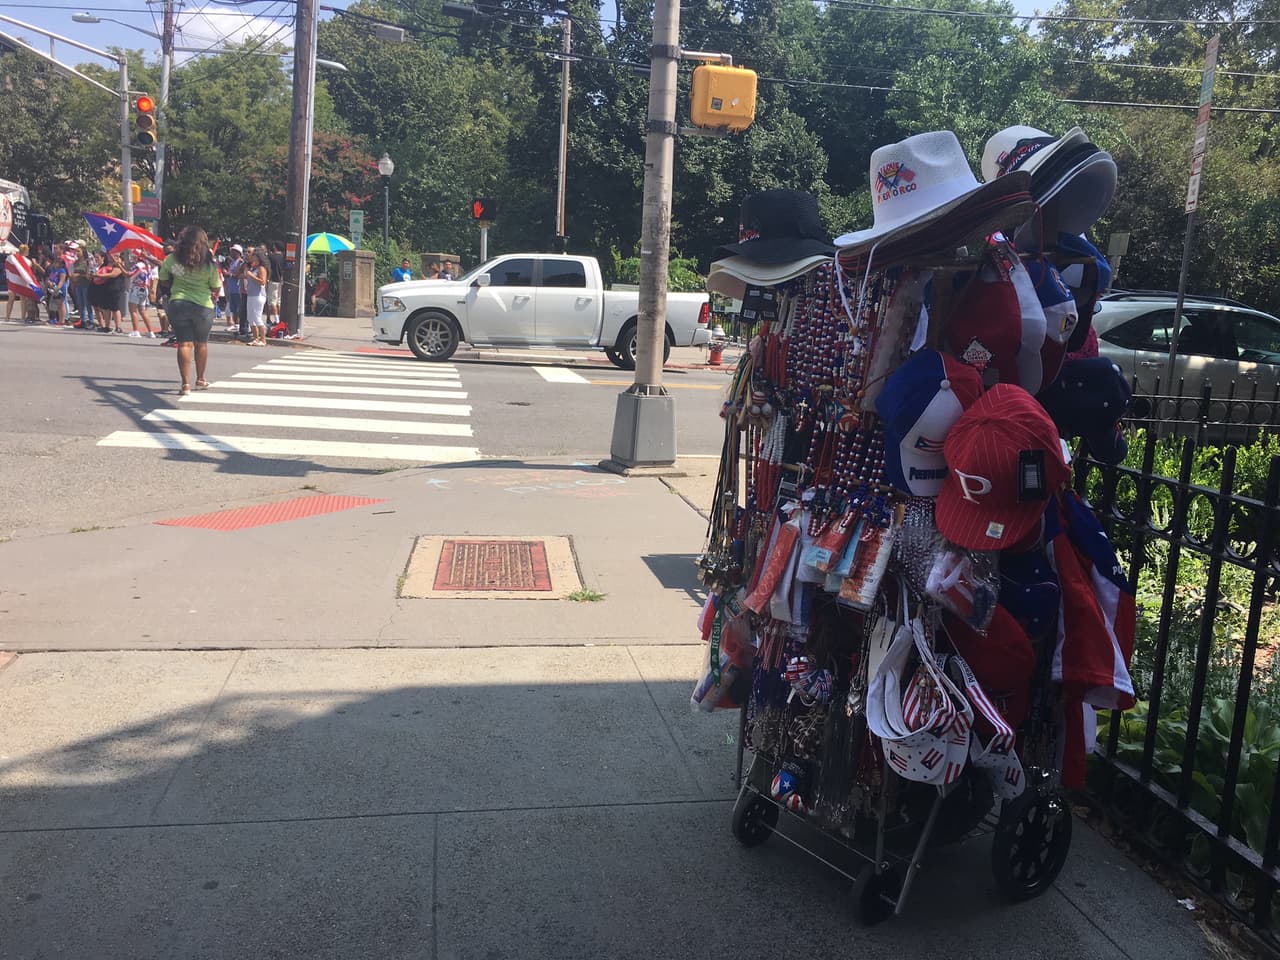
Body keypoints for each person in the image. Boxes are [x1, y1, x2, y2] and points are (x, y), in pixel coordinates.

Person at [159, 226, 221, 393]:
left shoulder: (173, 259)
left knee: (184, 344)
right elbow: (216, 286)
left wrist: (179, 280)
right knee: (201, 344)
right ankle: (200, 379)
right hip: (202, 305)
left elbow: (164, 279)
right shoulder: (208, 262)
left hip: (178, 302)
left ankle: (185, 384)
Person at [90, 251, 127, 333]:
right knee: (105, 308)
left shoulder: (118, 265)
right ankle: (107, 326)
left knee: (114, 308)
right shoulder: (106, 264)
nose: (111, 257)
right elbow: (100, 271)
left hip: (115, 288)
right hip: (105, 287)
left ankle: (118, 327)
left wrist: (99, 276)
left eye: (115, 255)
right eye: (110, 255)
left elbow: (113, 274)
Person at [243, 247, 269, 346]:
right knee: (250, 317)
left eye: (253, 255)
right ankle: (255, 338)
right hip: (251, 294)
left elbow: (263, 282)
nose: (251, 256)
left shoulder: (261, 268)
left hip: (258, 295)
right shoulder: (253, 267)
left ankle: (263, 339)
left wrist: (251, 275)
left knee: (257, 317)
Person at [127, 252, 155, 337]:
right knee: (142, 310)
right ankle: (151, 331)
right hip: (144, 288)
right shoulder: (148, 266)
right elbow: (150, 279)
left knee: (133, 310)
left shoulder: (138, 265)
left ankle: (136, 331)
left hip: (136, 288)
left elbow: (129, 275)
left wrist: (120, 266)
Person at [225, 243, 244, 334]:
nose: (231, 253)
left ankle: (239, 324)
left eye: (233, 251)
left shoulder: (240, 262)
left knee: (238, 308)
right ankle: (235, 324)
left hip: (238, 289)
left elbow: (239, 274)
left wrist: (230, 274)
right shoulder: (232, 262)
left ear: (238, 252)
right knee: (233, 308)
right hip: (232, 289)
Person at [266, 240, 285, 332]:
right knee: (279, 301)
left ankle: (277, 319)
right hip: (281, 281)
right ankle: (281, 318)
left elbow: (267, 267)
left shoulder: (270, 256)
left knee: (272, 301)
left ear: (275, 247)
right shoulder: (284, 257)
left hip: (273, 280)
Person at [45, 253, 68, 326]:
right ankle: (59, 320)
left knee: (61, 305)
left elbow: (61, 281)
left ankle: (62, 320)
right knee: (57, 305)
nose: (55, 264)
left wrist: (57, 289)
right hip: (53, 288)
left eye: (57, 263)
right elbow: (50, 278)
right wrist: (49, 283)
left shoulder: (62, 271)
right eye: (55, 262)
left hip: (60, 289)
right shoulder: (53, 270)